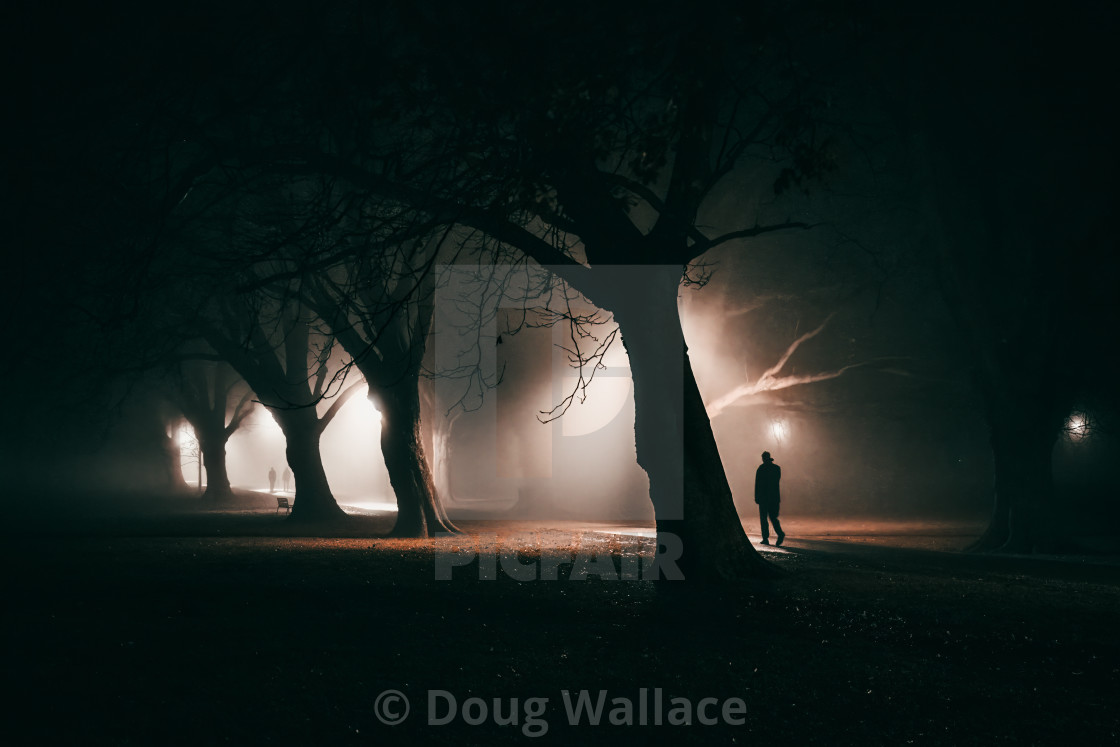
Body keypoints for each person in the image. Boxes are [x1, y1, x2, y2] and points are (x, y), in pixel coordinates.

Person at [754, 451, 785, 546]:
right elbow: (775, 482)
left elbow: (757, 485)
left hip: (764, 498)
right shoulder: (776, 468)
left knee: (764, 518)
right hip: (774, 498)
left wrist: (757, 497)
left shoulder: (761, 469)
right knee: (773, 517)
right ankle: (779, 534)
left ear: (763, 458)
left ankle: (765, 538)